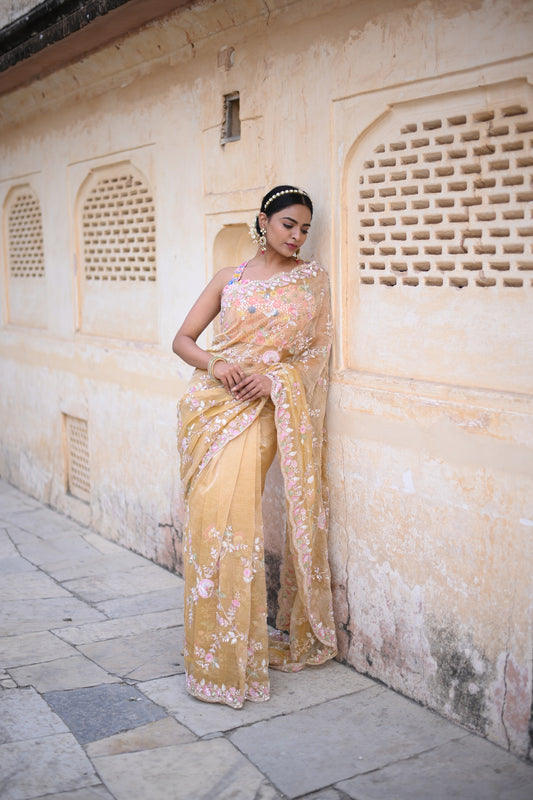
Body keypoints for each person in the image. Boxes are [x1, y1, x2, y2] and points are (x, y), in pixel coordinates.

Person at [173, 184, 337, 709]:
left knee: (235, 522)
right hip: (211, 406)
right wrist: (216, 364)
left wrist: (276, 381)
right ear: (263, 221)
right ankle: (211, 656)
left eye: (306, 229)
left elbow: (316, 356)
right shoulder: (231, 278)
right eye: (289, 224)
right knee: (207, 522)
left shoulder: (312, 281)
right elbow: (183, 340)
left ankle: (236, 659)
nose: (298, 236)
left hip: (264, 410)